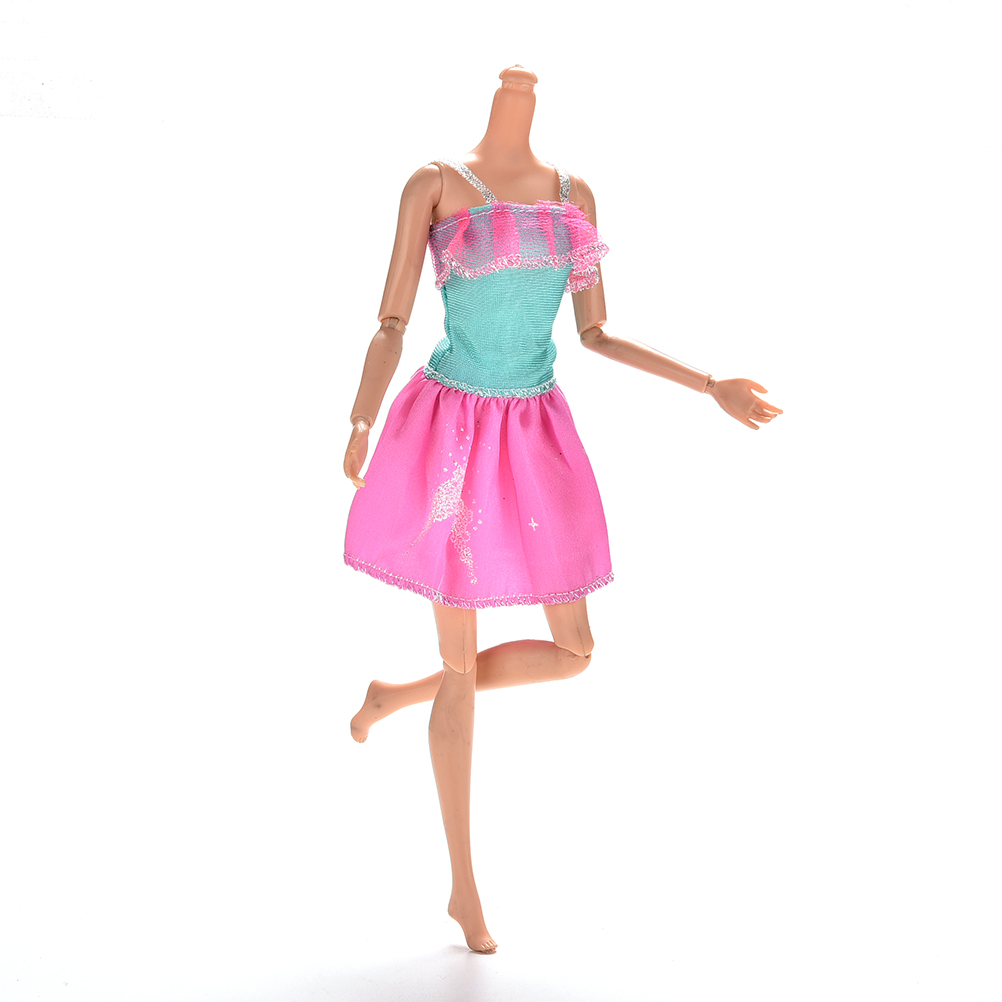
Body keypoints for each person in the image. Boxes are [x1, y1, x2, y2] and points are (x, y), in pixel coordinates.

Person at [343, 65, 782, 954]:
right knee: (461, 663)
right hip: (452, 434)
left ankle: (396, 693)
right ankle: (463, 887)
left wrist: (709, 385)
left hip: (536, 435)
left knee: (575, 649)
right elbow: (390, 321)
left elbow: (596, 331)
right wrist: (359, 417)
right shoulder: (434, 183)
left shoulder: (573, 194)